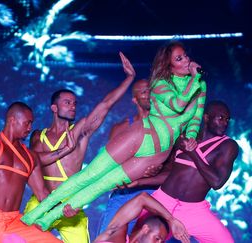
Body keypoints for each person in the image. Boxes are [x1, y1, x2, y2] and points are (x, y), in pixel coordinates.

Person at [21, 41, 207, 231]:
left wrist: (190, 137)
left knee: (102, 185)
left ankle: (48, 219)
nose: (186, 60)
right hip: (142, 134)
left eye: (185, 56)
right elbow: (179, 104)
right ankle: (34, 214)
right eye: (179, 58)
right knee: (91, 174)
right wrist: (194, 77)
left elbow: (196, 117)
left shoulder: (200, 85)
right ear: (169, 65)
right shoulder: (161, 83)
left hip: (158, 151)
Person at [24, 52, 136, 243]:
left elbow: (105, 105)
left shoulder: (80, 132)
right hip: (41, 201)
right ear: (54, 108)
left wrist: (129, 79)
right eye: (67, 103)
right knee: (21, 238)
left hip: (70, 205)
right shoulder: (38, 136)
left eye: (75, 103)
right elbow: (30, 167)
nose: (73, 107)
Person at [0, 102, 76, 242]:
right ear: (12, 120)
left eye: (31, 124)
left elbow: (42, 194)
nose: (30, 128)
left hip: (14, 221)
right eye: (27, 123)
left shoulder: (30, 156)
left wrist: (63, 208)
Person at [129, 100, 238, 243]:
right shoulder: (185, 137)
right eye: (220, 118)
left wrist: (193, 153)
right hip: (162, 202)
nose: (225, 123)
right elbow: (170, 175)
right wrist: (139, 182)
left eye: (227, 119)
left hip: (194, 212)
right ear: (206, 118)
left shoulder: (227, 146)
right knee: (138, 239)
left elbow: (216, 182)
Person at [97, 79, 158, 235]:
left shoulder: (166, 127)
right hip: (125, 194)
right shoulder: (121, 128)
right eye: (144, 91)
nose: (149, 94)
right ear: (134, 99)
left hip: (155, 193)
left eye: (151, 90)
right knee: (107, 237)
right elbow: (108, 164)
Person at [94, 192, 190, 243]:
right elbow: (142, 198)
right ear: (145, 229)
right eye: (157, 238)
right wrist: (171, 219)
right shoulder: (117, 231)